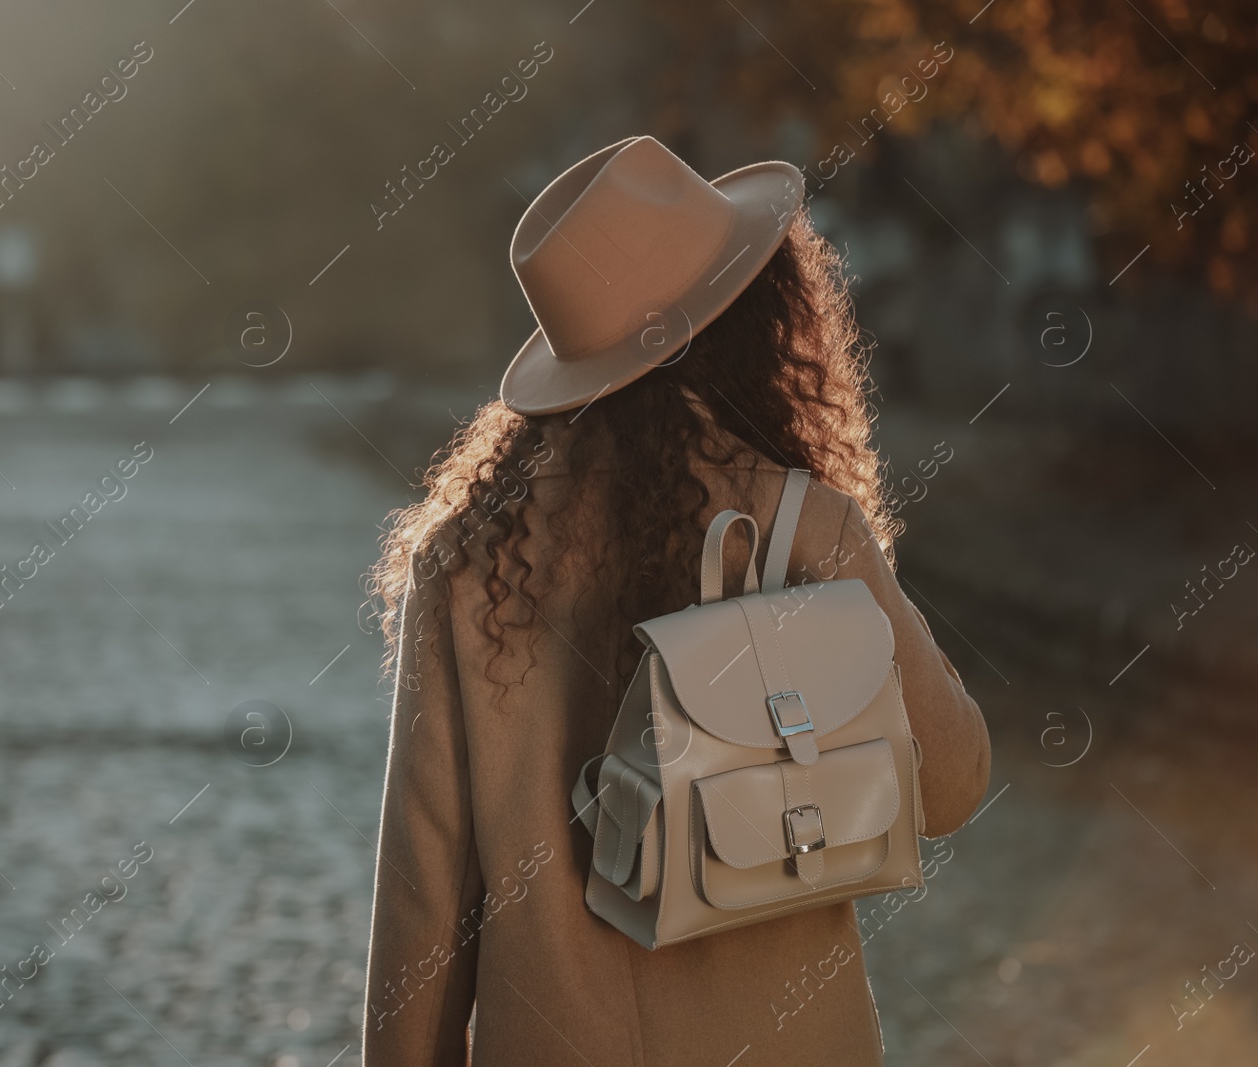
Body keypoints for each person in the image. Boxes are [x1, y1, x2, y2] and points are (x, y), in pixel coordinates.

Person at [361, 136, 990, 1066]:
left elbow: (426, 894)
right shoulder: (805, 528)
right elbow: (952, 782)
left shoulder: (464, 566)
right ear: (750, 319)